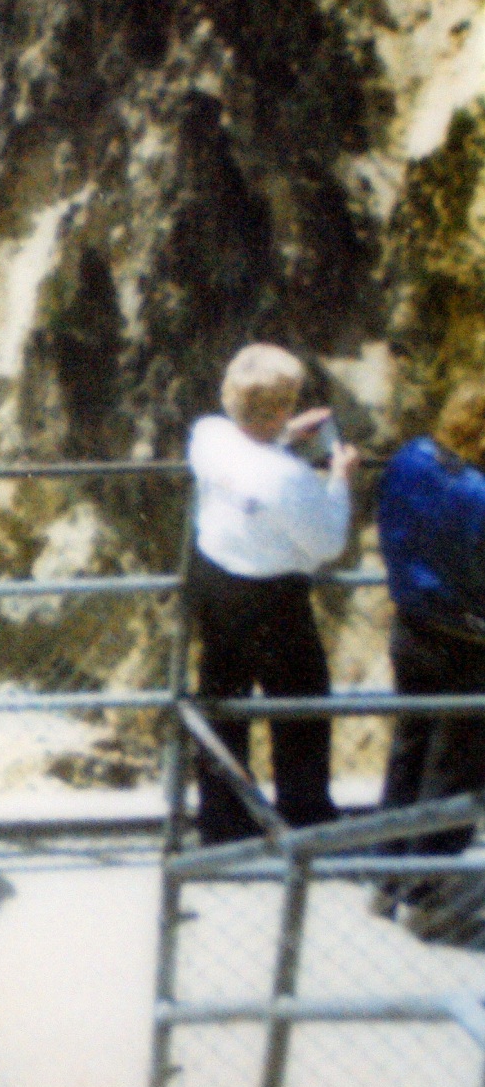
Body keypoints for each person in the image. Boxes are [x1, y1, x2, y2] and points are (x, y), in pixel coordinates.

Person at [185, 342, 358, 845]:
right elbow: (327, 543)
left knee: (222, 700)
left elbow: (248, 453)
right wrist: (340, 479)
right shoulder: (287, 477)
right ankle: (305, 817)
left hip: (214, 580)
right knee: (300, 703)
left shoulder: (208, 435)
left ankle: (222, 821)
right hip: (272, 597)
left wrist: (282, 434)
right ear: (281, 409)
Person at [372, 383, 485, 940]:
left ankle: (387, 878)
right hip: (468, 643)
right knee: (456, 767)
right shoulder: (479, 494)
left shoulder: (410, 459)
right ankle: (428, 892)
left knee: (410, 751)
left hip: (412, 628)